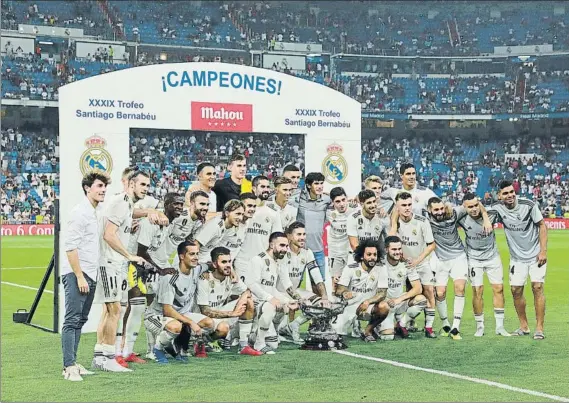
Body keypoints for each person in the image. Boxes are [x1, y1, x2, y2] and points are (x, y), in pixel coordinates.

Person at [92, 170, 149, 372]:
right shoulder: (121, 202)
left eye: (148, 186)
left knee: (109, 311)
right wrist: (129, 255)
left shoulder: (127, 204)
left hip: (115, 263)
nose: (146, 189)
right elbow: (108, 234)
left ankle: (100, 355)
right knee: (114, 310)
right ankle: (108, 358)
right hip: (110, 262)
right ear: (131, 184)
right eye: (142, 185)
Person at [61, 171, 109, 381]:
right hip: (76, 273)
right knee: (72, 320)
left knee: (80, 320)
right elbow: (70, 248)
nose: (103, 189)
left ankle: (73, 362)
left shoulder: (95, 212)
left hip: (91, 272)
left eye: (104, 186)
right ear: (87, 188)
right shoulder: (79, 212)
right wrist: (79, 276)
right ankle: (68, 366)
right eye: (99, 186)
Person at [489, 180, 548, 340]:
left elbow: (542, 225)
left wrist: (543, 251)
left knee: (537, 287)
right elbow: (482, 214)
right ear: (499, 196)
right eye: (506, 193)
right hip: (517, 258)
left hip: (536, 255)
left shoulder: (528, 205)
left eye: (511, 192)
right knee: (516, 290)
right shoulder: (497, 209)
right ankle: (524, 326)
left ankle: (539, 329)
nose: (510, 195)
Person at [427, 196, 492, 340]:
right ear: (429, 210)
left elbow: (476, 203)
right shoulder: (425, 217)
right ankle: (445, 324)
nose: (439, 212)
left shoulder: (454, 213)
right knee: (440, 292)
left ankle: (456, 327)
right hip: (440, 259)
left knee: (460, 288)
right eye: (436, 210)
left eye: (441, 208)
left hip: (458, 256)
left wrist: (486, 218)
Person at [144, 241, 212, 364]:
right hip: (157, 316)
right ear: (181, 256)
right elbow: (167, 310)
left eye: (197, 254)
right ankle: (158, 349)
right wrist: (191, 323)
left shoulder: (197, 269)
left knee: (208, 323)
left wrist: (229, 273)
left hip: (180, 315)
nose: (196, 257)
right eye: (192, 254)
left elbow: (211, 265)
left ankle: (177, 345)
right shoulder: (171, 276)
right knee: (176, 326)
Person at [458, 193, 510, 337]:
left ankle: (500, 326)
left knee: (498, 289)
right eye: (470, 207)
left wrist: (486, 217)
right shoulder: (461, 218)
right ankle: (480, 326)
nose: (474, 209)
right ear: (464, 207)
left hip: (492, 257)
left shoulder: (492, 214)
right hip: (474, 258)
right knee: (477, 291)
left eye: (476, 205)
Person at [196, 247, 261, 356]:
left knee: (249, 301)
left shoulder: (230, 277)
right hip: (203, 320)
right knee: (223, 328)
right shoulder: (205, 279)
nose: (228, 265)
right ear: (215, 264)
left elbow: (247, 291)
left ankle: (243, 345)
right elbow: (205, 311)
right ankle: (205, 341)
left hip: (220, 314)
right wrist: (232, 313)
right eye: (224, 262)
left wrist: (241, 302)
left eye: (230, 261)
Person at [389, 192, 437, 338]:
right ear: (397, 207)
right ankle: (400, 322)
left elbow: (431, 245)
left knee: (429, 292)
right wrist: (393, 221)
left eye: (409, 204)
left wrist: (417, 260)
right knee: (403, 294)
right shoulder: (394, 223)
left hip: (420, 263)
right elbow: (391, 240)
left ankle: (428, 327)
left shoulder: (422, 221)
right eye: (403, 205)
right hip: (402, 265)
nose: (407, 208)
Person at [244, 232, 300, 354]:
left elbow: (271, 289)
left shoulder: (277, 262)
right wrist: (270, 298)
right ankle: (259, 343)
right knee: (271, 307)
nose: (285, 249)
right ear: (271, 244)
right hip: (253, 303)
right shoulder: (258, 260)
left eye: (286, 246)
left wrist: (288, 301)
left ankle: (256, 336)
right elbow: (252, 284)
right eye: (281, 245)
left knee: (274, 344)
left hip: (263, 303)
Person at [278, 221, 331, 344]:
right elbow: (285, 282)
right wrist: (299, 299)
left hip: (295, 290)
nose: (302, 237)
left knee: (319, 304)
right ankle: (285, 328)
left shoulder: (307, 253)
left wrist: (324, 296)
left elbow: (317, 277)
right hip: (280, 292)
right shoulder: (283, 253)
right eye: (298, 234)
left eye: (304, 234)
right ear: (290, 236)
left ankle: (294, 326)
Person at [334, 239, 389, 341]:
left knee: (384, 307)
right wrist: (345, 293)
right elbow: (339, 290)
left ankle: (368, 330)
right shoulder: (350, 268)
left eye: (374, 254)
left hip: (368, 307)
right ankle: (354, 323)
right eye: (369, 254)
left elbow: (382, 293)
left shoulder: (381, 268)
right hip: (350, 306)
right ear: (362, 256)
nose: (372, 257)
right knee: (336, 334)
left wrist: (367, 301)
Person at [234, 176, 283, 278]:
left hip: (262, 263)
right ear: (254, 188)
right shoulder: (242, 210)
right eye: (262, 186)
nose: (266, 189)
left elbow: (277, 240)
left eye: (268, 187)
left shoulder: (273, 213)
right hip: (242, 262)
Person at [380, 236, 427, 340]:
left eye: (399, 249)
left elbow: (418, 288)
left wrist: (398, 300)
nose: (398, 252)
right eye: (394, 249)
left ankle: (401, 324)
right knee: (387, 337)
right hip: (385, 305)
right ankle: (381, 324)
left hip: (399, 302)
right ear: (386, 249)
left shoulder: (406, 264)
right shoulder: (380, 264)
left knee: (422, 300)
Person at [295, 172, 330, 279]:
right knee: (296, 282)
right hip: (300, 250)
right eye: (316, 184)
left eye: (321, 183)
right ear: (309, 185)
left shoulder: (327, 200)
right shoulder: (299, 198)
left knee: (320, 284)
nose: (320, 186)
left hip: (318, 250)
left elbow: (343, 203)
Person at [347, 190, 388, 259]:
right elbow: (354, 244)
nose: (373, 205)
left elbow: (389, 239)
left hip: (374, 256)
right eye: (369, 203)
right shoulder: (353, 218)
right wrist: (366, 258)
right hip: (357, 255)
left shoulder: (382, 216)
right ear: (362, 204)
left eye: (374, 201)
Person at [327, 187, 352, 290]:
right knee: (336, 284)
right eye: (337, 201)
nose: (341, 204)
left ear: (347, 199)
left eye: (343, 200)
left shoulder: (355, 210)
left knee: (350, 283)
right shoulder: (328, 213)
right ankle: (335, 304)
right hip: (335, 253)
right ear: (332, 203)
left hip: (350, 253)